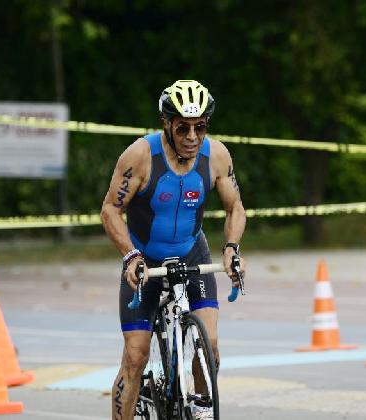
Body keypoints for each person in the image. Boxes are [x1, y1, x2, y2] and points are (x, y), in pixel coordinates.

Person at [100, 79, 246, 420]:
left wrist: (231, 248)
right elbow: (110, 210)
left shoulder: (217, 155)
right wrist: (130, 256)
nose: (192, 137)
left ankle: (198, 408)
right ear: (167, 124)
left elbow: (235, 208)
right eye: (183, 128)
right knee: (135, 356)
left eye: (200, 127)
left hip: (192, 252)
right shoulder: (140, 156)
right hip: (145, 258)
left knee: (209, 347)